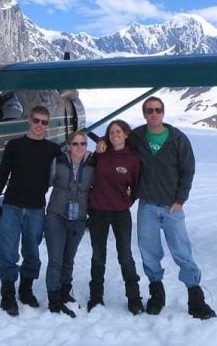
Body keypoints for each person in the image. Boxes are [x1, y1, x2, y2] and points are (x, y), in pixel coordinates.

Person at [132, 96, 216, 320]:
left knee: (182, 251)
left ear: (163, 112)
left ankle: (195, 298)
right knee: (149, 252)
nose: (154, 114)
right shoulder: (137, 137)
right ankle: (157, 295)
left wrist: (180, 200)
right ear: (144, 113)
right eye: (149, 110)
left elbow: (188, 171)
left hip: (172, 207)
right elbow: (117, 146)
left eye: (158, 110)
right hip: (147, 205)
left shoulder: (178, 139)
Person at [0, 105, 61, 317]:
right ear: (29, 120)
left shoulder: (52, 150)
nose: (39, 125)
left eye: (44, 122)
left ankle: (26, 289)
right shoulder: (15, 146)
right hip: (12, 205)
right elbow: (2, 173)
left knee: (32, 252)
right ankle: (8, 294)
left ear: (48, 125)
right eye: (36, 120)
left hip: (37, 208)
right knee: (8, 251)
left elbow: (74, 161)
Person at [87, 120, 144, 315]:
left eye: (118, 131)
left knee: (125, 256)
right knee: (98, 256)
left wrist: (126, 202)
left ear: (126, 134)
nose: (115, 135)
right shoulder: (101, 154)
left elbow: (136, 186)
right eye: (111, 132)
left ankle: (134, 298)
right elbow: (89, 174)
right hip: (98, 211)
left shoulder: (133, 159)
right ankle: (96, 297)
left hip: (121, 213)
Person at [44, 131, 95, 318]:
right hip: (56, 216)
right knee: (55, 260)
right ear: (68, 146)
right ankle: (54, 299)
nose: (80, 147)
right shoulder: (57, 162)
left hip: (79, 218)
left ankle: (65, 290)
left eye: (83, 143)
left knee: (69, 259)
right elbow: (43, 181)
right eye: (75, 144)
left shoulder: (92, 164)